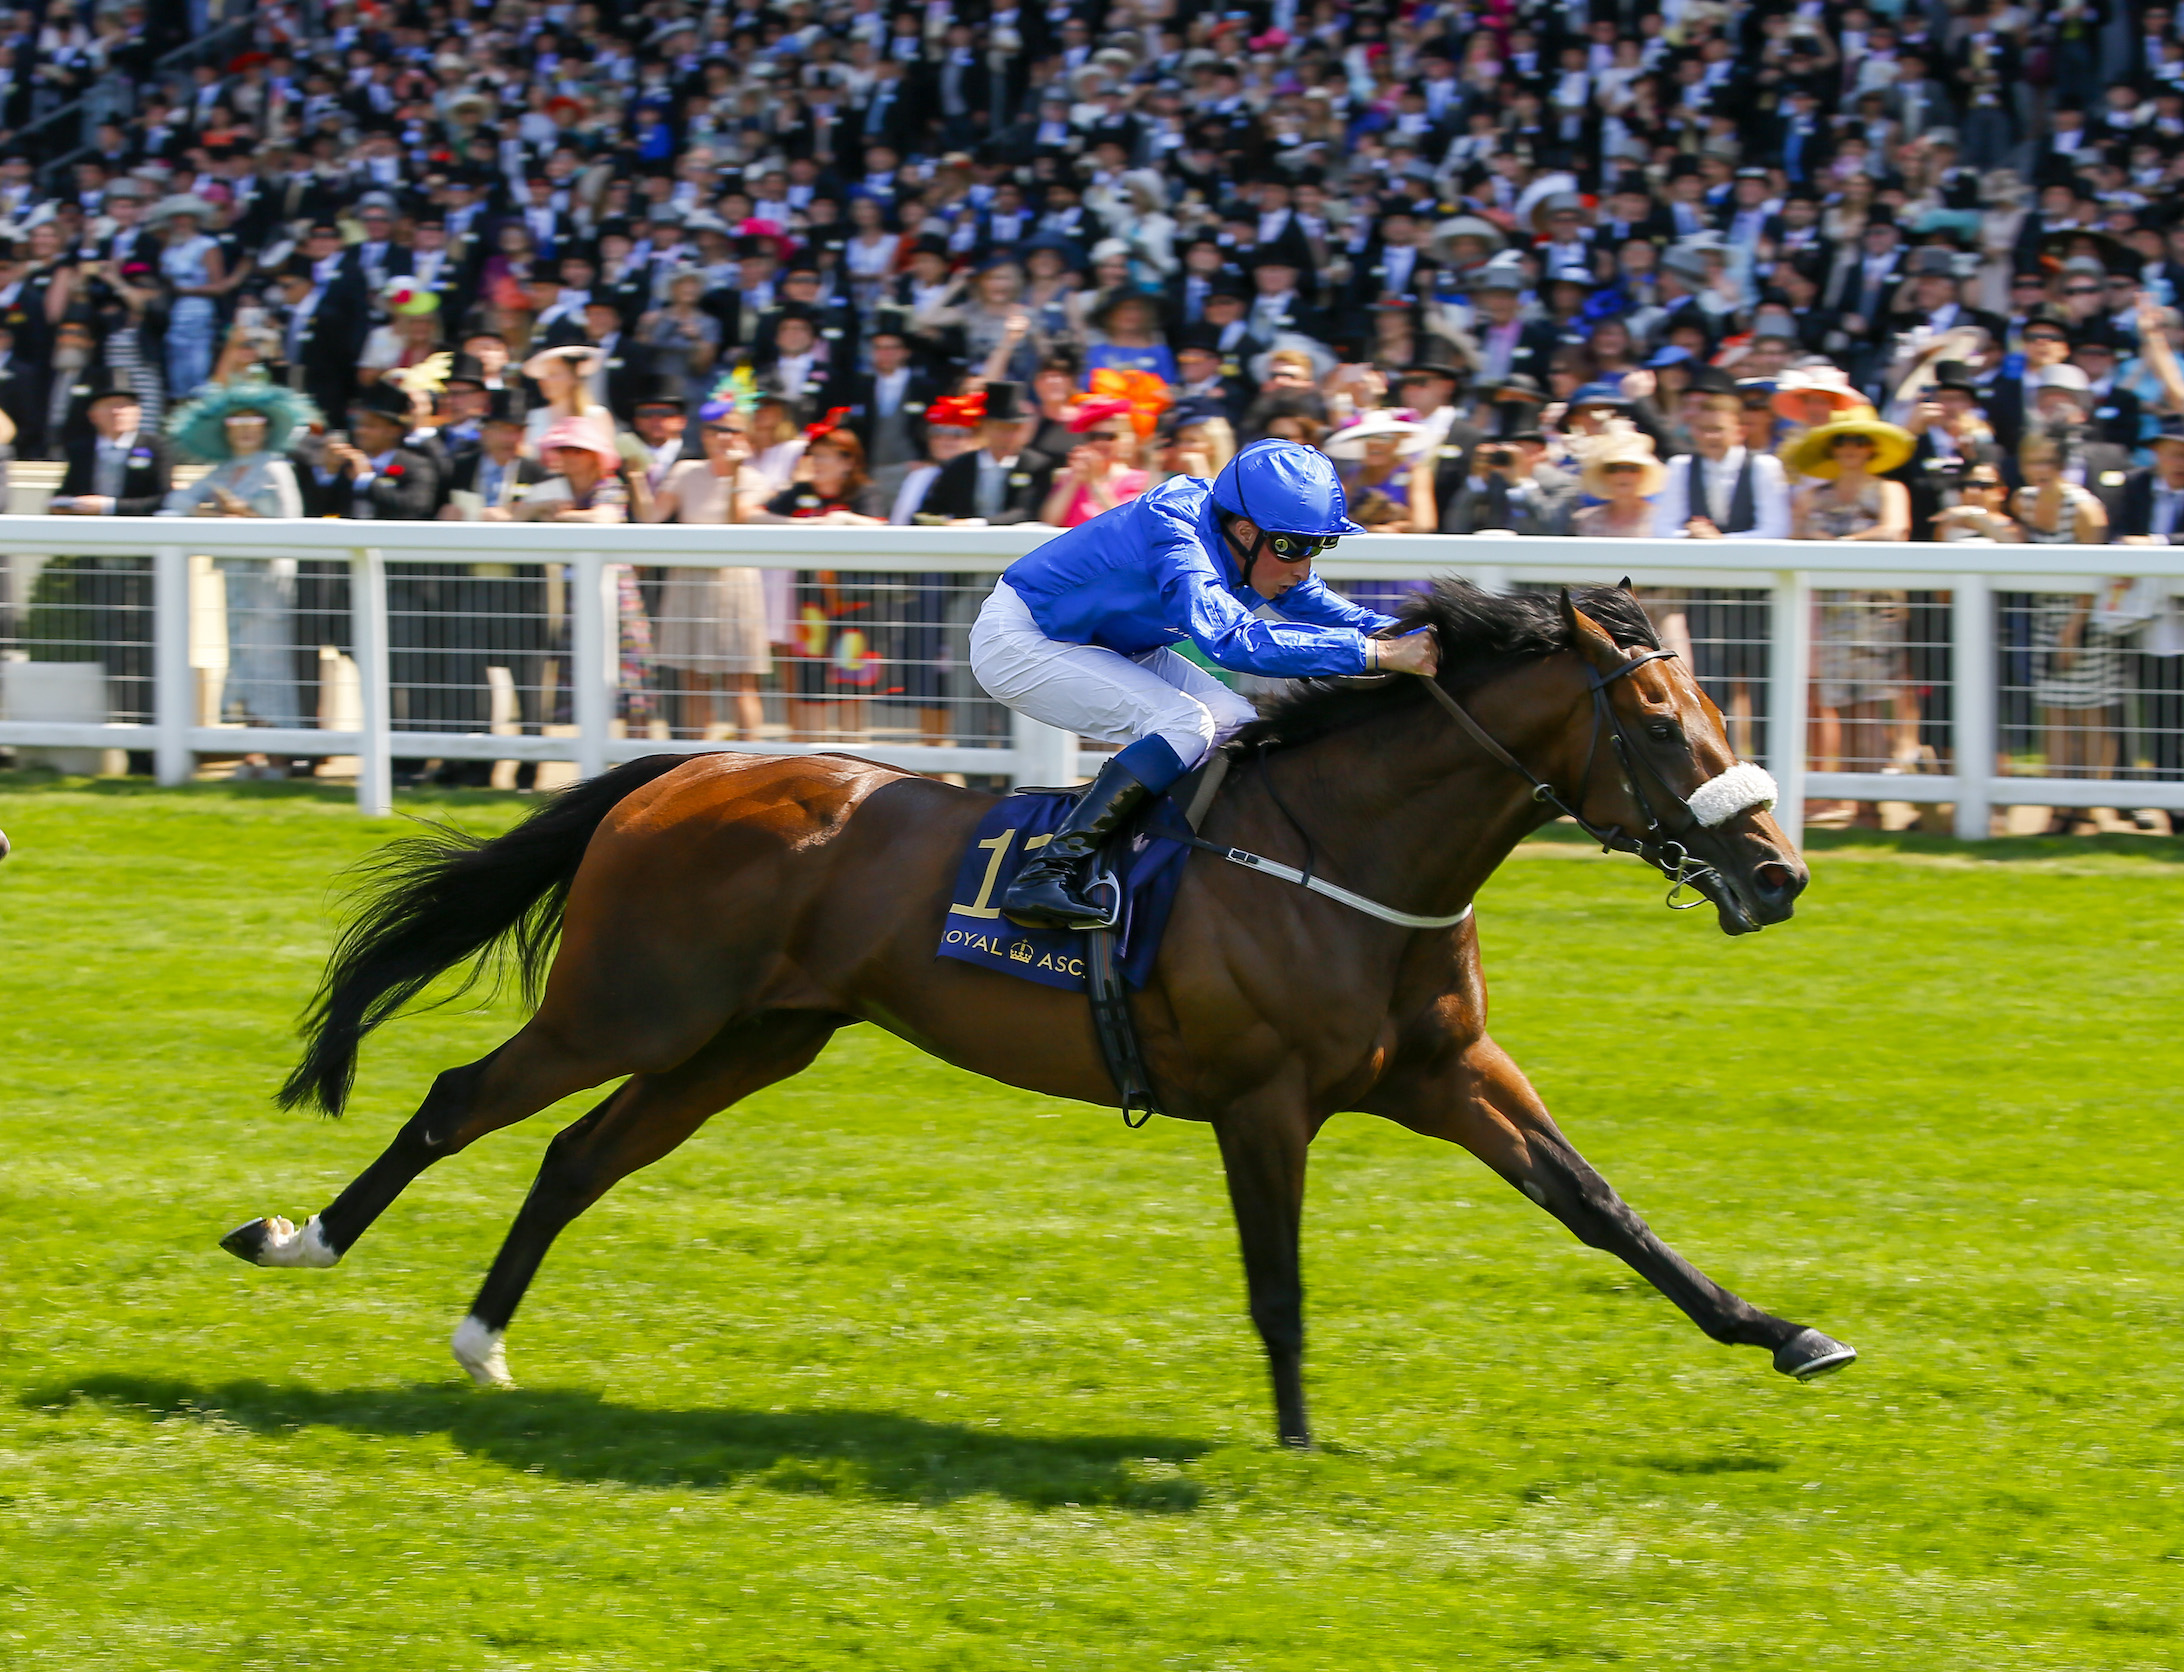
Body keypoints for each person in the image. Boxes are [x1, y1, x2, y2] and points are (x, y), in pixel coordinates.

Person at [969, 439, 1435, 929]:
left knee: (1238, 722)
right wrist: (1375, 654)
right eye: (1293, 546)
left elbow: (1315, 602)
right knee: (1186, 724)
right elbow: (1231, 641)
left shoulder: (1248, 541)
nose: (1304, 565)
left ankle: (1175, 861)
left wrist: (1410, 635)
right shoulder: (1176, 527)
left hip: (1112, 643)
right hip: (1023, 637)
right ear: (1245, 530)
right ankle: (1046, 875)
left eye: (1319, 546)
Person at [1786, 413, 1919, 827]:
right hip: (1824, 609)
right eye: (1842, 441)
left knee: (1870, 705)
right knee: (1834, 704)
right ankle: (1847, 795)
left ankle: (1871, 801)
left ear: (1871, 448)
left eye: (1858, 441)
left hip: (1872, 607)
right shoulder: (1812, 496)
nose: (1849, 449)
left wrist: (1841, 545)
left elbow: (1895, 530)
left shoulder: (1889, 489)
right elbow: (1794, 538)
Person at [641, 400, 773, 741]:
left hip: (735, 582)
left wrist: (736, 475)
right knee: (691, 679)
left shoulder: (756, 478)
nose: (724, 437)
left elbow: (736, 522)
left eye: (732, 430)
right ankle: (694, 763)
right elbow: (651, 519)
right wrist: (635, 477)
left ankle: (755, 762)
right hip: (687, 579)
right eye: (716, 430)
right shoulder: (685, 470)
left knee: (740, 681)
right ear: (704, 434)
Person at [50, 372, 174, 515]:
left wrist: (109, 506)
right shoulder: (81, 449)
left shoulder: (156, 447)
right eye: (109, 405)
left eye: (124, 405)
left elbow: (165, 499)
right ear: (93, 415)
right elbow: (68, 490)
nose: (117, 412)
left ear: (138, 412)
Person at [1040, 397, 1150, 528]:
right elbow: (1049, 522)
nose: (1100, 443)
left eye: (1109, 437)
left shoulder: (1138, 480)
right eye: (1094, 436)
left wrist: (1095, 483)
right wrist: (1073, 480)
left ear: (1123, 440)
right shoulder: (1067, 477)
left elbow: (1124, 523)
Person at [1571, 434, 1668, 537]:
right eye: (1613, 469)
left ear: (1644, 475)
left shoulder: (1662, 519)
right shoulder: (1585, 520)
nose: (1622, 475)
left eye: (1632, 469)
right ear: (1603, 475)